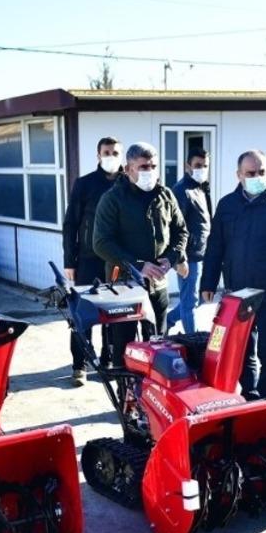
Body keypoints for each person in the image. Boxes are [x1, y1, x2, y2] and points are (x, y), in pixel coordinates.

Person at [200, 149, 266, 399]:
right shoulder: (227, 205)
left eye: (262, 172)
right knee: (242, 352)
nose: (257, 177)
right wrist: (208, 282)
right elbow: (216, 247)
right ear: (239, 175)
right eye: (251, 173)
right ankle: (250, 396)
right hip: (239, 294)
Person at [93, 141, 188, 364]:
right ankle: (125, 393)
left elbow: (181, 231)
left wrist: (172, 258)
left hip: (158, 286)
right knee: (124, 348)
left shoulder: (165, 195)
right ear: (128, 170)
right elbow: (101, 242)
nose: (149, 172)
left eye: (153, 166)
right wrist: (137, 265)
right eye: (143, 167)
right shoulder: (112, 199)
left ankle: (152, 394)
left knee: (158, 345)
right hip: (124, 288)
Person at [62, 136, 122, 384]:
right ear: (98, 155)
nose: (111, 157)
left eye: (115, 152)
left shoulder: (127, 184)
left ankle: (108, 360)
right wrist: (69, 261)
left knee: (115, 314)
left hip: (117, 260)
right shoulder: (85, 184)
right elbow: (71, 224)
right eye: (106, 152)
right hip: (88, 260)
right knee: (82, 315)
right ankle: (80, 364)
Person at [167, 148, 213, 335]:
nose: (201, 169)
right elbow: (175, 228)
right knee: (189, 303)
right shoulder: (181, 190)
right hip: (189, 257)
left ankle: (168, 319)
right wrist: (180, 259)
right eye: (197, 166)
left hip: (201, 253)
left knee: (199, 298)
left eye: (205, 166)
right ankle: (192, 341)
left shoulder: (200, 188)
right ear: (187, 166)